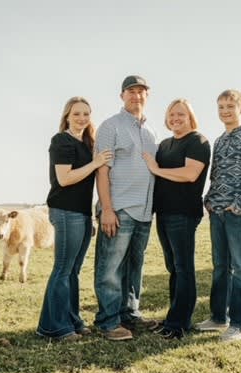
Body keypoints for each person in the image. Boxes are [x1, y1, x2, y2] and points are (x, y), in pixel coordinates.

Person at [36, 96, 113, 341]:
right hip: (65, 210)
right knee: (62, 268)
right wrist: (96, 162)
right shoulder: (61, 141)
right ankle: (54, 327)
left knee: (73, 271)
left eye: (86, 114)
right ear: (67, 116)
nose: (82, 118)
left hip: (82, 212)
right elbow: (65, 178)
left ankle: (72, 319)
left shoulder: (88, 142)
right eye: (76, 113)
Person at [196, 89, 241, 342]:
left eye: (230, 106)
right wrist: (210, 200)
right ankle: (218, 317)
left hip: (238, 213)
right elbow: (215, 175)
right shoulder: (220, 140)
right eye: (221, 107)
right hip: (217, 211)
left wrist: (240, 205)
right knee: (220, 267)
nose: (225, 111)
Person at [93, 75, 159, 341]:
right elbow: (102, 170)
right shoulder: (111, 126)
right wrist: (107, 209)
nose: (136, 95)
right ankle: (108, 322)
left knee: (135, 267)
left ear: (147, 95)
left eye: (141, 91)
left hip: (144, 211)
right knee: (111, 267)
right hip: (119, 209)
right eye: (130, 91)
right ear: (122, 96)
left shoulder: (151, 132)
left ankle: (130, 315)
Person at [142, 99, 210, 339]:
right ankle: (173, 317)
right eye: (171, 115)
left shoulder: (198, 141)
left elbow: (190, 174)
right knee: (173, 267)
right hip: (164, 212)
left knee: (184, 268)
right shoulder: (165, 144)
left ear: (190, 116)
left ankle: (180, 323)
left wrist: (156, 169)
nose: (175, 119)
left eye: (180, 114)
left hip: (183, 213)